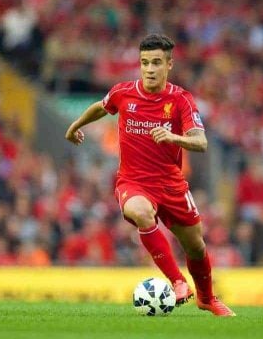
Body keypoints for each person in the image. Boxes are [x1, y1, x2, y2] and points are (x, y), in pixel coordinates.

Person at [65, 34, 235, 317]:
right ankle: (178, 281)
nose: (149, 69)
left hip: (171, 184)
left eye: (156, 62)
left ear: (169, 64)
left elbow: (201, 142)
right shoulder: (124, 93)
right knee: (141, 213)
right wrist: (75, 126)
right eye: (145, 63)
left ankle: (206, 298)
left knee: (195, 246)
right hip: (133, 182)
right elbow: (101, 106)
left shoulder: (181, 99)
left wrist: (173, 137)